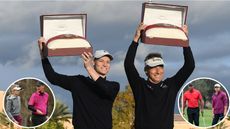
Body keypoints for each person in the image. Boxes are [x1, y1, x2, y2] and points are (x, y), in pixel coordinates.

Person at [124, 23, 195, 129]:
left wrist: (184, 41)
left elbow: (190, 66)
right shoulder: (140, 86)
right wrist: (136, 38)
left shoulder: (171, 85)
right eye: (153, 67)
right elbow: (128, 64)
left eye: (160, 67)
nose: (158, 71)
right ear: (146, 70)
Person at [38, 37, 120, 129]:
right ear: (93, 62)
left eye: (108, 62)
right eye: (101, 61)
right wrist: (43, 55)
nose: (105, 64)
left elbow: (104, 88)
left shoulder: (114, 86)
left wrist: (89, 68)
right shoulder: (78, 81)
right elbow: (52, 77)